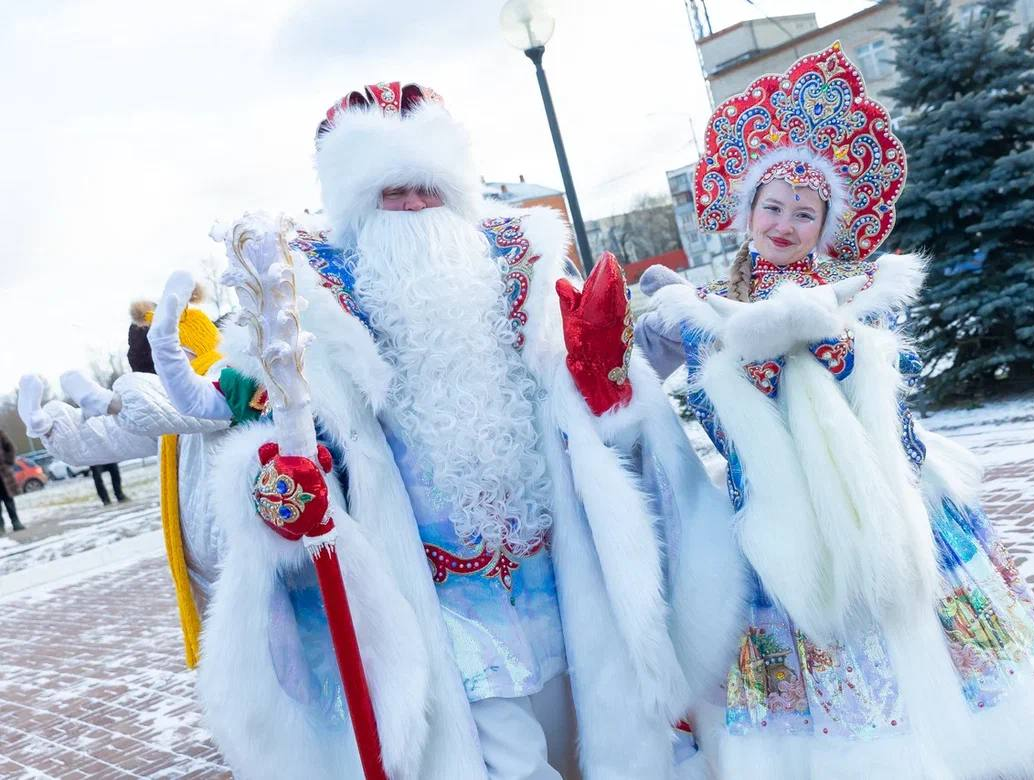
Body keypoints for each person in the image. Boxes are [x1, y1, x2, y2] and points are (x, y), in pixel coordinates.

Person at [193, 81, 743, 780]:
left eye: (428, 190)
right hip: (443, 608)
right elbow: (288, 443)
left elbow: (592, 398)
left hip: (558, 581)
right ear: (356, 205)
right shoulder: (312, 313)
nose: (414, 208)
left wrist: (614, 377)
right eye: (393, 194)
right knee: (510, 763)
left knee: (593, 739)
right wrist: (278, 489)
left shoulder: (522, 275)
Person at [640, 41, 1034, 779]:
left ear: (825, 224)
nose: (785, 223)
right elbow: (658, 385)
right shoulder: (703, 311)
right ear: (747, 212)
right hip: (776, 522)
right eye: (773, 206)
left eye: (804, 212)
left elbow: (898, 381)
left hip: (883, 503)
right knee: (826, 678)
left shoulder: (857, 296)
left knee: (923, 646)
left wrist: (835, 349)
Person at [17, 290, 231, 669]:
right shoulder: (169, 421)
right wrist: (53, 428)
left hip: (247, 565)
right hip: (210, 576)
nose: (161, 380)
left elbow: (184, 405)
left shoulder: (225, 382)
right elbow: (112, 434)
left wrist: (117, 402)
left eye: (167, 365)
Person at [0, 430, 25, 533]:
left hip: (3, 472)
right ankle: (0, 527)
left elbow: (10, 447)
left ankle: (16, 522)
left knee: (8, 499)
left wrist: (7, 460)